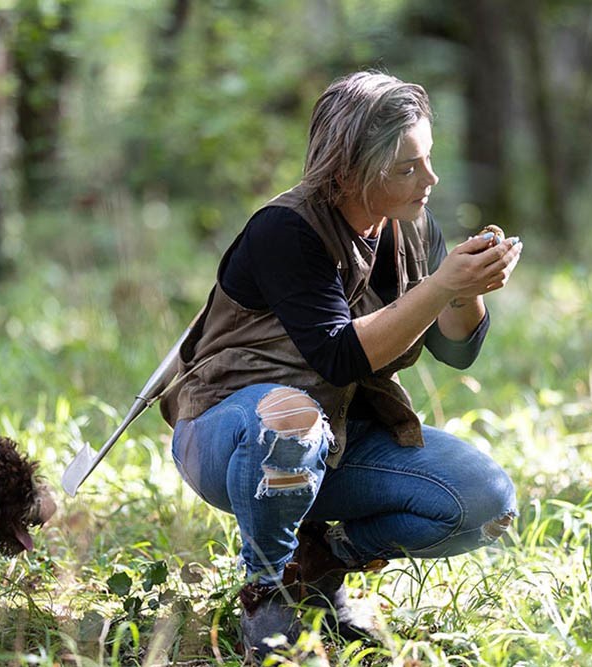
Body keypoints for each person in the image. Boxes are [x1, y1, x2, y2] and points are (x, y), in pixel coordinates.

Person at [159, 70, 523, 661]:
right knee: (289, 417)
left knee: (486, 502)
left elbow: (457, 349)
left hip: (336, 437)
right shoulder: (286, 230)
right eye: (408, 167)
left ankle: (321, 563)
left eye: (427, 160)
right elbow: (337, 353)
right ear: (352, 170)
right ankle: (267, 591)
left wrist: (468, 284)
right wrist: (439, 288)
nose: (429, 180)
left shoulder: (411, 223)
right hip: (225, 434)